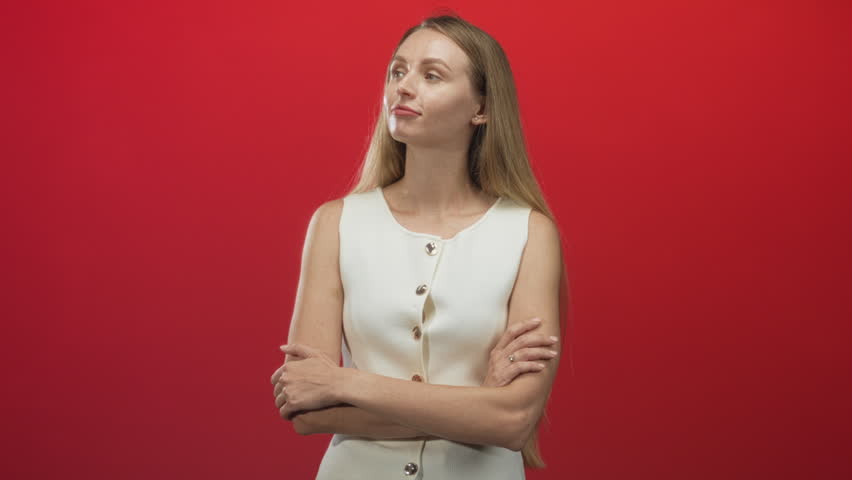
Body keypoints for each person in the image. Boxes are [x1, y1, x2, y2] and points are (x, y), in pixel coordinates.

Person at [269, 13, 572, 479]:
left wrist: (344, 383)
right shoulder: (336, 223)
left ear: (481, 108)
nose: (404, 87)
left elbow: (513, 421)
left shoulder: (529, 233)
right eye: (398, 71)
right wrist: (477, 406)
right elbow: (307, 407)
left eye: (432, 75)